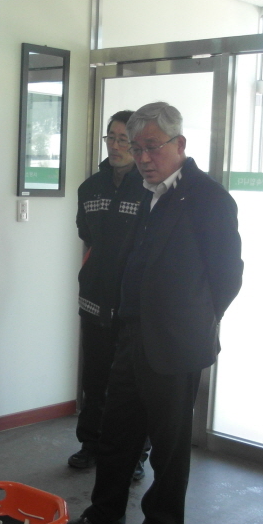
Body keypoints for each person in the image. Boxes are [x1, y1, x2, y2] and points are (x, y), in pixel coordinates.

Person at [59, 102, 243, 524]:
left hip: (176, 343)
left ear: (180, 144)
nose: (143, 157)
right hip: (132, 334)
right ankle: (106, 514)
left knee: (168, 446)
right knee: (117, 432)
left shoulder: (209, 198)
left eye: (152, 147)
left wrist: (193, 321)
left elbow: (227, 276)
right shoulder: (146, 194)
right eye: (136, 148)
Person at [69, 110, 148, 480]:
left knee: (132, 386)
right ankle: (91, 444)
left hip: (133, 305)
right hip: (94, 299)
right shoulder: (90, 188)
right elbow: (86, 233)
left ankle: (134, 456)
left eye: (123, 140)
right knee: (95, 379)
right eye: (111, 138)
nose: (115, 146)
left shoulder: (149, 188)